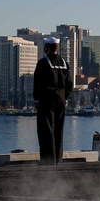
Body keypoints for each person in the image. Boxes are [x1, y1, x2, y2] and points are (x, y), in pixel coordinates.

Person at [33, 36, 73, 164]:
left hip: (46, 100)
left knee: (46, 129)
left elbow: (37, 83)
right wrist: (65, 97)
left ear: (46, 47)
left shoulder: (43, 63)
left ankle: (48, 159)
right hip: (61, 100)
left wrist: (36, 100)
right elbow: (70, 84)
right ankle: (58, 158)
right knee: (58, 129)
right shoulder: (64, 63)